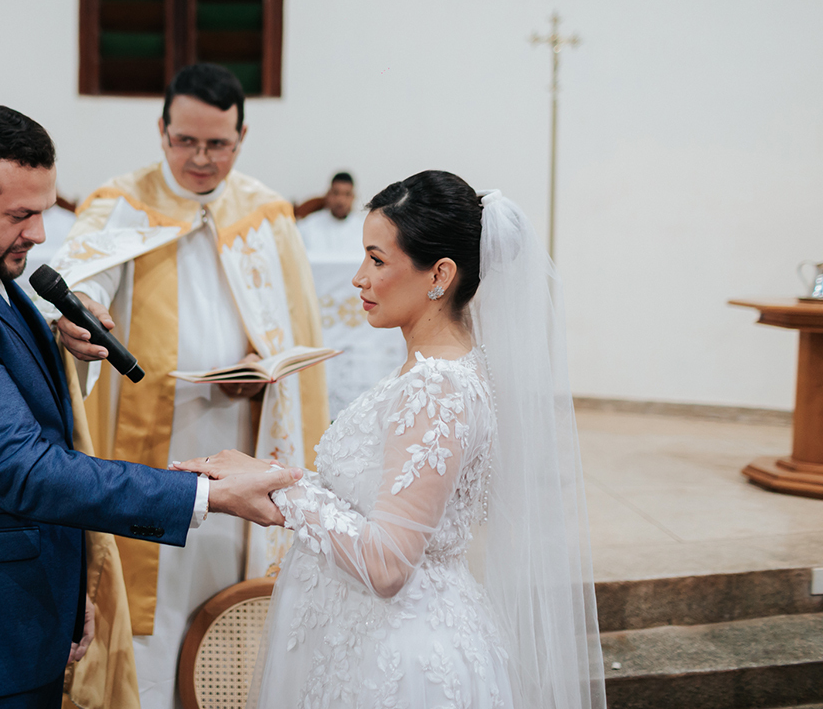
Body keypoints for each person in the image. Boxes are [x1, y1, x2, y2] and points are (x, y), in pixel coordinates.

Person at [0, 105, 303, 709]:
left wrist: (65, 587)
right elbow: (22, 468)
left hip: (15, 598)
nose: (38, 232)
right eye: (21, 214)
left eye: (43, 210)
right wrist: (204, 495)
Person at [175, 171, 607, 708]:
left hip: (399, 662)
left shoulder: (438, 388)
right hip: (365, 638)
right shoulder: (439, 370)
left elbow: (386, 565)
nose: (359, 278)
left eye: (377, 261)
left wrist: (281, 490)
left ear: (439, 275)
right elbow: (378, 504)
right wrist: (268, 475)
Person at [45, 63, 329, 709]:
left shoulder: (266, 215)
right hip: (150, 455)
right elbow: (79, 279)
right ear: (162, 130)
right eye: (185, 142)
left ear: (242, 135)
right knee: (154, 612)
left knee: (231, 605)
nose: (201, 160)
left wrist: (262, 379)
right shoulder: (120, 202)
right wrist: (79, 315)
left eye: (218, 145)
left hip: (240, 447)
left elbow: (293, 332)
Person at [295, 171, 366, 260]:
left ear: (353, 197)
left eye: (347, 194)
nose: (341, 200)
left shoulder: (365, 228)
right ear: (328, 195)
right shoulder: (307, 226)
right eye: (336, 193)